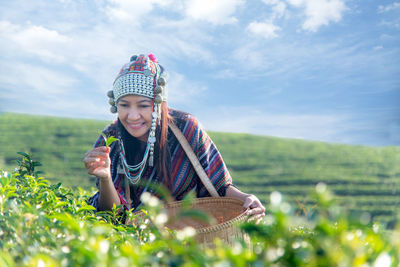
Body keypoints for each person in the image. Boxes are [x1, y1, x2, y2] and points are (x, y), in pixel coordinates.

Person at [84, 53, 265, 221]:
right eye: (124, 105)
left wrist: (245, 198)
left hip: (193, 233)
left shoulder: (186, 128)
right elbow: (114, 216)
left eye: (143, 106)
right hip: (138, 239)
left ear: (158, 104)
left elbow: (218, 186)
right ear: (115, 105)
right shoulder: (111, 140)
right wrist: (105, 178)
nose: (132, 116)